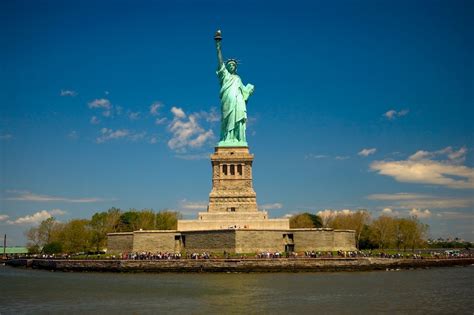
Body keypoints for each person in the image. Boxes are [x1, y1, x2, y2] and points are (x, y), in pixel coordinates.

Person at [214, 30, 255, 145]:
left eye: (234, 65)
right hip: (227, 100)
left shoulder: (238, 78)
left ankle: (238, 139)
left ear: (236, 67)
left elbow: (244, 92)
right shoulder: (225, 75)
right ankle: (227, 139)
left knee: (238, 119)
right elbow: (220, 61)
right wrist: (218, 47)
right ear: (227, 67)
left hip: (238, 101)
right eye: (230, 64)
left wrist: (250, 89)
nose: (232, 66)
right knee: (227, 119)